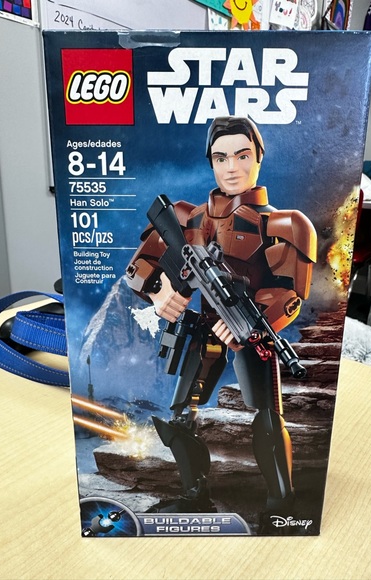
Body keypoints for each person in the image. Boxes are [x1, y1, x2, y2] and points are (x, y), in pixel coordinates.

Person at [125, 116, 317, 523]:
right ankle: (195, 496)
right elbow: (138, 268)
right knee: (181, 415)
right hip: (204, 329)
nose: (232, 167)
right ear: (211, 162)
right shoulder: (189, 219)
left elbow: (291, 296)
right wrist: (159, 290)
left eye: (242, 156)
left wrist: (255, 321)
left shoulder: (284, 225)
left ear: (259, 157)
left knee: (267, 416)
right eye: (221, 157)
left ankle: (281, 506)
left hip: (250, 328)